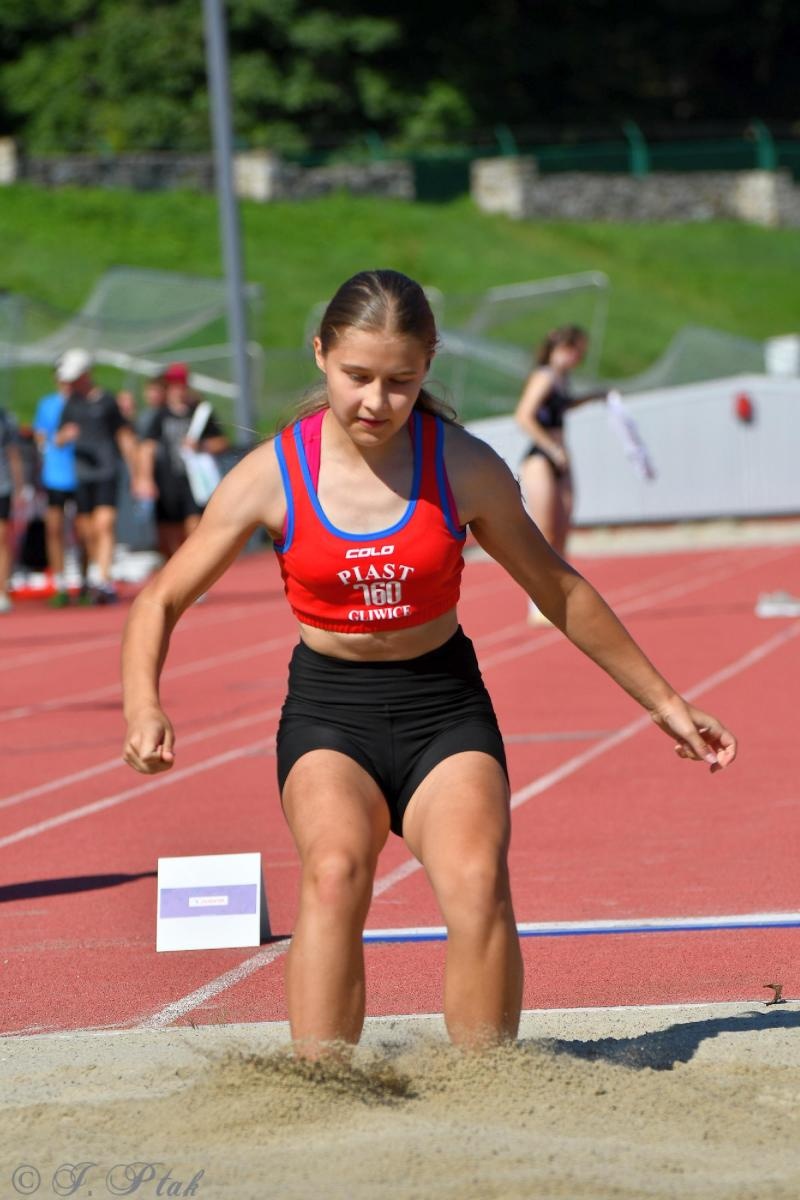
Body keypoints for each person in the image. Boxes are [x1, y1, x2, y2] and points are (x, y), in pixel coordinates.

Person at [122, 270, 737, 1057]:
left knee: (477, 879)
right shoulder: (274, 474)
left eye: (400, 382)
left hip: (442, 707)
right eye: (357, 378)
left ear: (427, 368)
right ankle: (322, 1086)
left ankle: (484, 1082)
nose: (376, 402)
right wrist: (144, 704)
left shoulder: (466, 466)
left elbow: (560, 591)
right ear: (320, 356)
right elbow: (159, 600)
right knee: (336, 872)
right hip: (330, 712)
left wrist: (667, 704)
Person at [514, 325, 605, 623]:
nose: (579, 357)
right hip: (542, 459)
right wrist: (551, 449)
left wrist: (593, 397)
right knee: (545, 533)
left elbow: (562, 406)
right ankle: (537, 599)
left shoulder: (562, 380)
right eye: (576, 350)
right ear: (563, 348)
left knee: (563, 531)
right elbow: (524, 415)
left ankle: (559, 596)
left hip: (561, 459)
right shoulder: (544, 376)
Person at [54, 348, 138, 604]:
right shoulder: (70, 404)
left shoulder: (106, 401)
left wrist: (137, 473)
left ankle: (104, 578)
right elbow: (57, 439)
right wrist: (64, 437)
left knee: (105, 524)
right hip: (82, 474)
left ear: (86, 374)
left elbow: (123, 435)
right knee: (86, 530)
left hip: (107, 471)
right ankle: (94, 575)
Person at [135, 362, 229, 561]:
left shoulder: (200, 413)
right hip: (167, 481)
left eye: (180, 385)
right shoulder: (159, 415)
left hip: (194, 482)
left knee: (194, 531)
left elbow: (221, 442)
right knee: (167, 536)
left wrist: (201, 446)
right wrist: (144, 478)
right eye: (172, 386)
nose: (176, 390)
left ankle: (194, 578)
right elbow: (147, 448)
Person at [33, 372, 79, 607]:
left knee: (83, 529)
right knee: (54, 528)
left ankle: (84, 580)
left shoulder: (83, 403)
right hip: (55, 475)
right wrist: (50, 442)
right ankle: (60, 582)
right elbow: (40, 436)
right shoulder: (48, 404)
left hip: (81, 474)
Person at [0, 406, 24, 613]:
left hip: (2, 486)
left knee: (1, 537)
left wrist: (19, 488)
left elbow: (13, 454)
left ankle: (2, 591)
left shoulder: (5, 418)